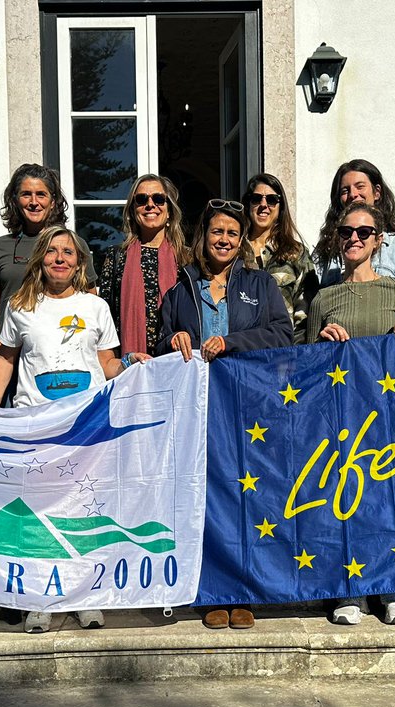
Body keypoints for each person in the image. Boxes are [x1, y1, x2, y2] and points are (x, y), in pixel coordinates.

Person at [0, 225, 146, 634]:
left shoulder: (95, 308)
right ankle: (40, 599)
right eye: (53, 251)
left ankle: (85, 596)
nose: (60, 258)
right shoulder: (20, 306)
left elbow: (107, 365)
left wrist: (130, 363)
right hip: (35, 423)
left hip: (85, 427)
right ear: (41, 257)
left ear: (79, 263)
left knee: (82, 510)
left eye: (68, 253)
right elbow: (6, 360)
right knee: (39, 511)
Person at [156, 199, 293, 630]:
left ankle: (242, 591)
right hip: (195, 410)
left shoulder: (261, 283)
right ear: (204, 237)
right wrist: (174, 337)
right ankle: (210, 592)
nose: (225, 239)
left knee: (247, 497)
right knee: (204, 497)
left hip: (248, 407)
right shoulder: (180, 289)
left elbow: (282, 333)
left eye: (233, 233)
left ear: (240, 240)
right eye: (217, 232)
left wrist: (231, 341)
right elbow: (162, 344)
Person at [299, 202, 395, 625]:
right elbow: (308, 369)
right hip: (340, 415)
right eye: (347, 232)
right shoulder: (323, 298)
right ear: (337, 238)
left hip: (388, 411)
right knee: (344, 496)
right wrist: (321, 341)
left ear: (379, 240)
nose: (355, 238)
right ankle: (347, 589)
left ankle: (392, 589)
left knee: (388, 498)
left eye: (364, 232)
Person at [0, 164, 98, 367]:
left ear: (53, 202)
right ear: (15, 200)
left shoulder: (72, 245)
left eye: (41, 194)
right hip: (7, 355)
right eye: (26, 194)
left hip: (55, 357)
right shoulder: (1, 246)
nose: (34, 202)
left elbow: (91, 301)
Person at [99, 173, 191, 358]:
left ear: (169, 210)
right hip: (130, 363)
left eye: (158, 198)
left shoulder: (188, 258)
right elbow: (106, 317)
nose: (150, 205)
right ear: (133, 210)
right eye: (141, 199)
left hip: (177, 359)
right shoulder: (116, 256)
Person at [313, 159, 395, 296]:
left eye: (360, 186)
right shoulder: (324, 251)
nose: (352, 194)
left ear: (377, 192)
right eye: (345, 190)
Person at [242, 172, 317, 329]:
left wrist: (294, 351)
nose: (264, 205)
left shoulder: (296, 253)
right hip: (242, 347)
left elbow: (305, 313)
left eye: (271, 200)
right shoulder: (235, 251)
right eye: (256, 199)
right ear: (248, 204)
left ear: (280, 207)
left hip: (282, 347)